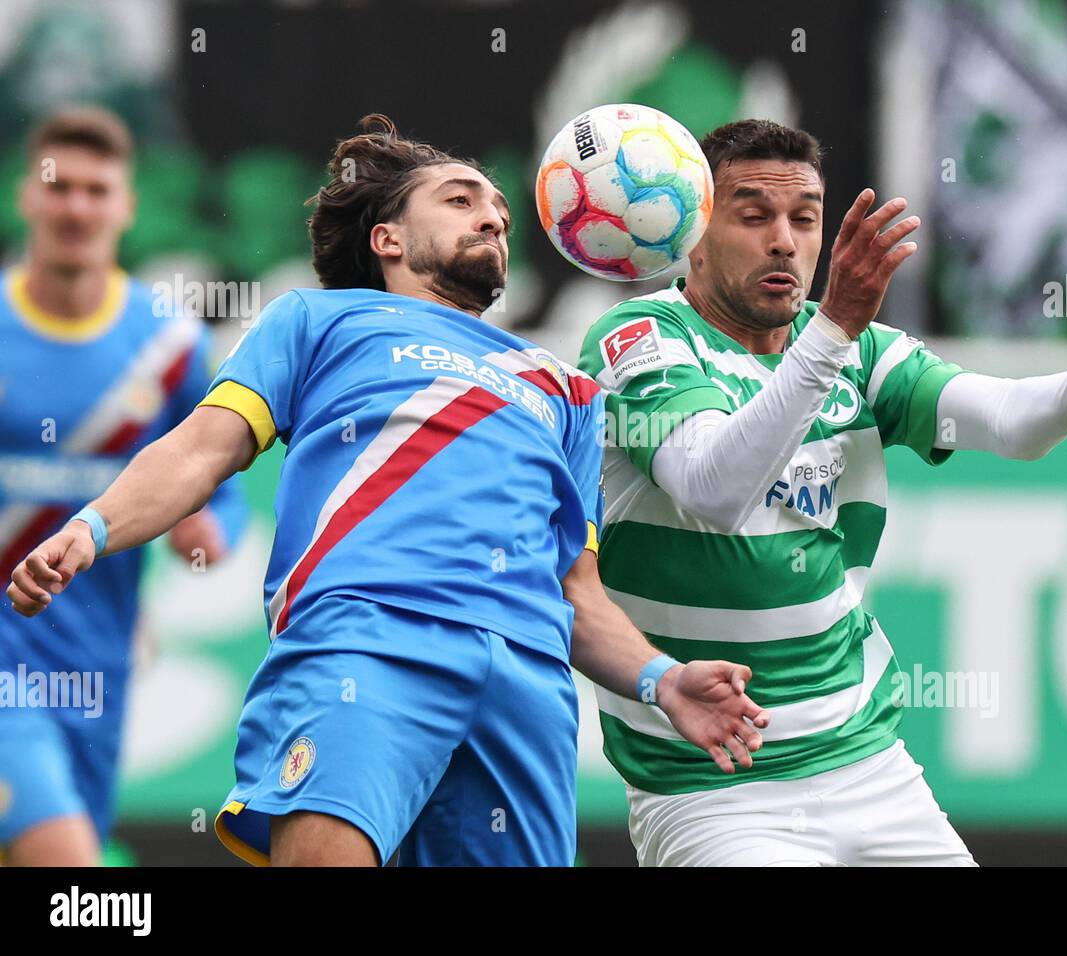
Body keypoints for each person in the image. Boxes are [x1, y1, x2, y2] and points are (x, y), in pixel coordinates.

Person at [7, 114, 769, 867]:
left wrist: (660, 678)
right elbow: (200, 452)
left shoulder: (568, 390)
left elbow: (580, 594)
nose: (493, 219)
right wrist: (94, 528)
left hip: (527, 684)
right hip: (369, 640)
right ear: (388, 239)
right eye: (461, 199)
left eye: (501, 216)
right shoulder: (319, 321)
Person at [578, 118, 1067, 866]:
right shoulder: (642, 340)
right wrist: (833, 331)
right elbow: (712, 489)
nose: (785, 240)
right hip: (712, 790)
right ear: (692, 231)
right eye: (753, 215)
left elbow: (1014, 426)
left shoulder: (860, 351)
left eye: (804, 218)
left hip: (869, 767)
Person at [0, 106, 247, 865]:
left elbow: (220, 487)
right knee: (76, 881)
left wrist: (209, 531)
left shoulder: (169, 345)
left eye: (95, 189)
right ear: (26, 197)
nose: (76, 206)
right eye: (59, 186)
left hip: (96, 665)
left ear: (126, 205)